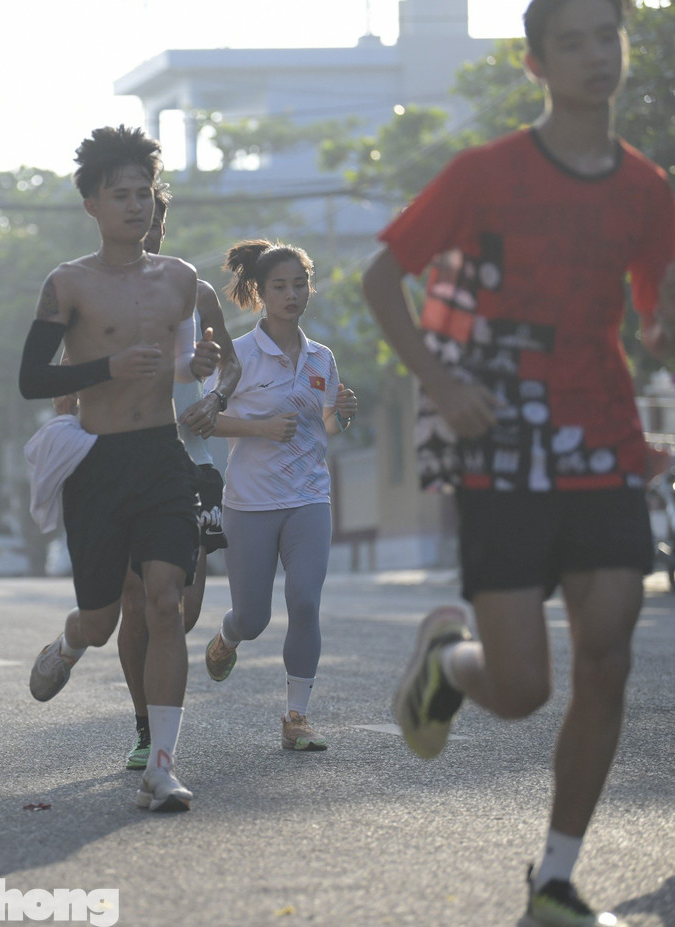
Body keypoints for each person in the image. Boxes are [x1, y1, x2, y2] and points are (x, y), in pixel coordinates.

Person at [360, 0, 675, 922]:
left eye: (606, 36)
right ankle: (446, 663)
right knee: (523, 685)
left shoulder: (650, 189)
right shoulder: (482, 174)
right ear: (536, 64)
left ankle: (555, 880)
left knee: (608, 653)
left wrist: (662, 331)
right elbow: (384, 278)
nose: (595, 55)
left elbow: (655, 318)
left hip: (602, 436)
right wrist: (440, 385)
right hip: (497, 437)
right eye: (570, 41)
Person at [19, 125, 218, 813]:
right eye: (120, 195)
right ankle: (72, 642)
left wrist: (209, 373)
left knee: (165, 601)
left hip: (162, 456)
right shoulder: (67, 284)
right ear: (92, 205)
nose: (136, 206)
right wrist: (105, 366)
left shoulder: (182, 278)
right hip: (99, 464)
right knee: (105, 617)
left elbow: (201, 356)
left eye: (145, 193)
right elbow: (29, 378)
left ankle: (162, 763)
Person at [182, 240, 357, 752]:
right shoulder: (238, 356)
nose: (292, 294)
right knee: (254, 617)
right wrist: (258, 428)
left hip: (309, 498)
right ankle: (229, 637)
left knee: (305, 601)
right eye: (279, 286)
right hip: (251, 502)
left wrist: (342, 412)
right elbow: (204, 422)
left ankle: (296, 717)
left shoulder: (323, 358)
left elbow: (325, 426)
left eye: (299, 285)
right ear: (259, 293)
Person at [112, 187, 242, 771]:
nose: (148, 226)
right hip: (123, 459)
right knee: (137, 601)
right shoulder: (92, 290)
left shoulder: (197, 289)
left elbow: (231, 363)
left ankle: (155, 725)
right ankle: (148, 733)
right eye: (135, 212)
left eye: (157, 217)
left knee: (181, 611)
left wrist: (213, 403)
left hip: (193, 462)